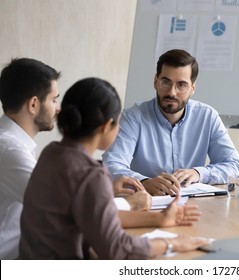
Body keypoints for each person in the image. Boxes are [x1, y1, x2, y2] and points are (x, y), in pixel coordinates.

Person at [19, 77, 209, 259]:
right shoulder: (90, 174)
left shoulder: (51, 153)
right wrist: (174, 243)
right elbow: (117, 250)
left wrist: (159, 219)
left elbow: (99, 217)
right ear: (107, 126)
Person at [102, 49, 239, 196]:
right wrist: (144, 182)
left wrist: (199, 173)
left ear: (192, 88)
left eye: (181, 85)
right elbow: (111, 165)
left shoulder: (207, 116)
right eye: (165, 82)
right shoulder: (133, 117)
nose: (172, 92)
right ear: (156, 82)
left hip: (195, 205)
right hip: (147, 204)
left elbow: (235, 167)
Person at [0, 58, 61, 259]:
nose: (58, 108)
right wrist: (128, 204)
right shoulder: (10, 150)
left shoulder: (11, 143)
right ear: (34, 104)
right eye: (54, 100)